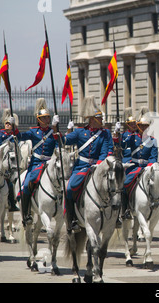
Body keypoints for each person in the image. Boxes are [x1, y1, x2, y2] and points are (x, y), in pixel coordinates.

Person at [63, 96, 114, 233]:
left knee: (115, 186)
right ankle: (71, 219)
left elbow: (105, 151)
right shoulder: (80, 132)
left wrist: (99, 164)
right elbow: (64, 141)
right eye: (100, 119)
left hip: (99, 166)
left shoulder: (104, 133)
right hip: (81, 167)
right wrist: (57, 130)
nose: (103, 121)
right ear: (92, 120)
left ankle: (115, 216)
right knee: (70, 188)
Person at [121, 107, 159, 221]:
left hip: (148, 167)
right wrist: (119, 132)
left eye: (146, 126)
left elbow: (153, 157)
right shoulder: (132, 138)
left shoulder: (153, 140)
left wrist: (149, 167)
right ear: (138, 126)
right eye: (142, 126)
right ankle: (126, 210)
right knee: (125, 184)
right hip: (135, 166)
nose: (144, 128)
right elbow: (123, 144)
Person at [15, 98, 60, 226]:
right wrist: (15, 128)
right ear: (39, 120)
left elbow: (59, 143)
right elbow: (20, 137)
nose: (47, 120)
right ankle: (26, 214)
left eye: (48, 117)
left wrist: (56, 129)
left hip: (50, 163)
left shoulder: (53, 132)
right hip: (36, 163)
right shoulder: (33, 132)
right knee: (26, 186)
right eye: (44, 118)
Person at [0, 108, 20, 212]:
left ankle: (12, 202)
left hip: (10, 163)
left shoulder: (14, 136)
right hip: (0, 161)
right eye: (6, 123)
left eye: (9, 124)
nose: (7, 125)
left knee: (10, 183)